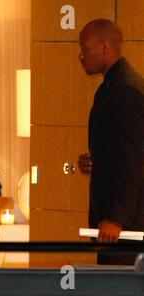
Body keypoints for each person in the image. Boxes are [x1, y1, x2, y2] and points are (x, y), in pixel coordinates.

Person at [77, 19, 144, 265]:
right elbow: (118, 151)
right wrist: (95, 160)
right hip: (118, 225)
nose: (81, 56)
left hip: (125, 229)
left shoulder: (126, 90)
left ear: (105, 47)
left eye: (86, 48)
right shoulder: (112, 87)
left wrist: (116, 218)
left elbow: (132, 161)